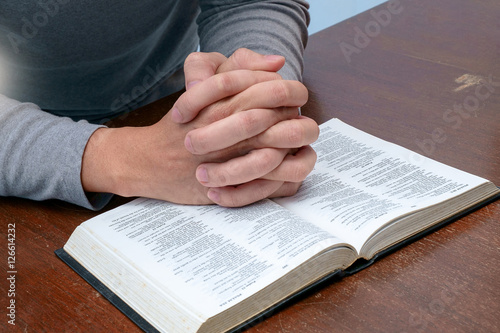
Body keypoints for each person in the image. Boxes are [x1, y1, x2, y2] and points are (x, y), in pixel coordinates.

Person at [0, 0, 319, 210]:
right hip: (21, 166)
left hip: (177, 111)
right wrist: (120, 158)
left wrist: (254, 103)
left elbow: (246, 4)